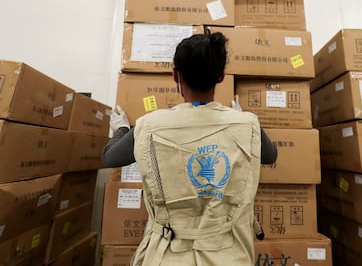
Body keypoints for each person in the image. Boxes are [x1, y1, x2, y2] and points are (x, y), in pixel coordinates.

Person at [102, 31, 277, 266]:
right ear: (221, 76)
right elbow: (270, 155)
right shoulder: (247, 125)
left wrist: (122, 128)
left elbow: (109, 157)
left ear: (175, 75)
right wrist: (239, 118)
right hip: (230, 256)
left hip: (166, 257)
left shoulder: (149, 126)